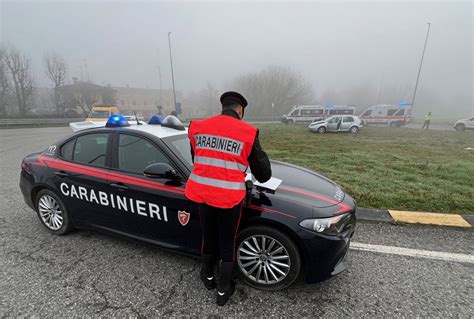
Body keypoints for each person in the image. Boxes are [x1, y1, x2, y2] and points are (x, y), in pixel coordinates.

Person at [185, 91, 271, 306]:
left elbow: (197, 158)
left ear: (223, 107)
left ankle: (207, 276)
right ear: (240, 110)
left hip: (203, 194)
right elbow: (263, 174)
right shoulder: (248, 132)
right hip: (229, 198)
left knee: (208, 236)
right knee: (227, 242)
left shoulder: (198, 127)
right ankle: (223, 290)